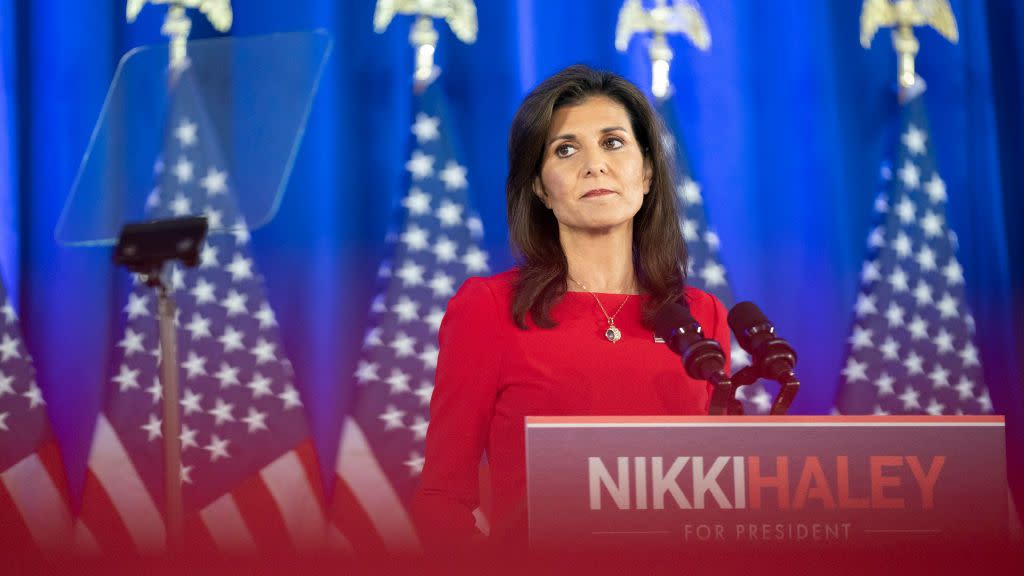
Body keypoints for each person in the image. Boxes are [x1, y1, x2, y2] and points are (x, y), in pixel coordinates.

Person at [411, 64, 730, 551]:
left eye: (613, 142)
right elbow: (442, 498)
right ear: (540, 187)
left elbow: (723, 497)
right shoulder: (490, 308)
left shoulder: (701, 315)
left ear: (646, 172)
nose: (594, 165)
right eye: (565, 149)